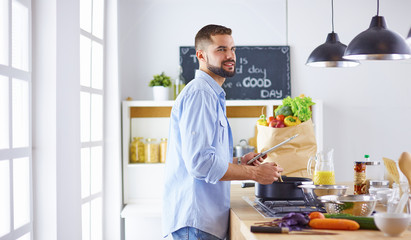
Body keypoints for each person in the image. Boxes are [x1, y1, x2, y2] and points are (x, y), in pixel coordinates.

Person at [162, 24, 283, 240]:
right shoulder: (200, 94)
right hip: (196, 223)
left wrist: (239, 163)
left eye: (233, 49)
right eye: (221, 50)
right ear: (201, 55)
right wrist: (255, 173)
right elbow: (200, 163)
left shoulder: (212, 94)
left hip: (203, 222)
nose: (230, 56)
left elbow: (207, 156)